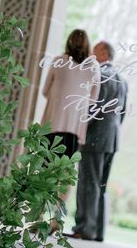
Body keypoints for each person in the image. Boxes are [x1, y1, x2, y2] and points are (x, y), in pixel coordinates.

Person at [71, 40, 128, 241]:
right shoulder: (122, 79)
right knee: (101, 185)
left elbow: (94, 108)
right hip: (112, 139)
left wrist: (81, 130)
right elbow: (122, 113)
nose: (91, 56)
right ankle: (97, 232)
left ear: (103, 54)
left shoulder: (101, 75)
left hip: (95, 136)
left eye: (94, 52)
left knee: (88, 183)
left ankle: (85, 228)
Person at [41, 29, 101, 163]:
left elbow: (45, 91)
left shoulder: (59, 61)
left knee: (44, 169)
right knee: (63, 172)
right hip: (75, 128)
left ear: (69, 42)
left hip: (52, 124)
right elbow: (93, 99)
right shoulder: (94, 67)